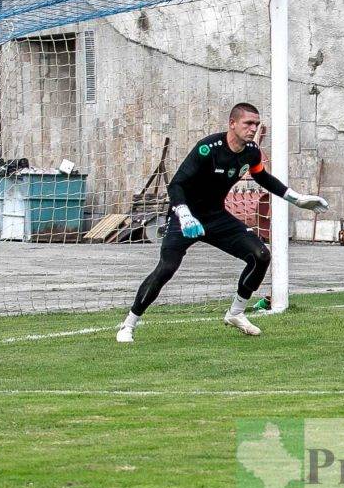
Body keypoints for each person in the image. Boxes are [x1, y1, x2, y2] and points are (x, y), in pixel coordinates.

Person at [117, 103, 328, 343]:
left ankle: (236, 313)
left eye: (256, 124)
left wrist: (297, 199)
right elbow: (176, 184)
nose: (253, 128)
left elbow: (264, 178)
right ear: (232, 124)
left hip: (216, 217)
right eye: (248, 123)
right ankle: (129, 323)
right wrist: (184, 214)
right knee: (166, 268)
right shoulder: (208, 148)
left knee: (261, 255)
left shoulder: (252, 152)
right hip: (185, 216)